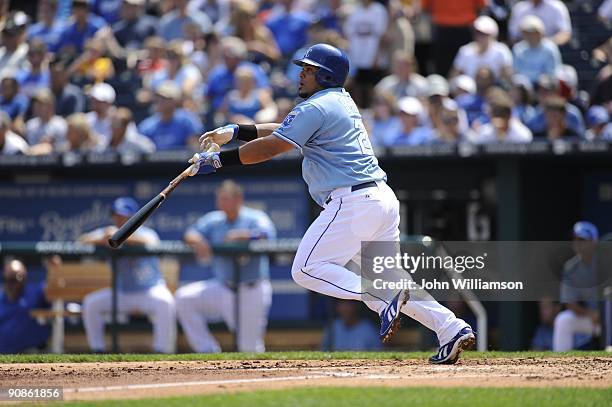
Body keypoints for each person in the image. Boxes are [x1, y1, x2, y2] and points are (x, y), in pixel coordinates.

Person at [192, 43, 475, 364]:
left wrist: (218, 162)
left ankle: (385, 300)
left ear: (325, 75)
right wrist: (238, 131)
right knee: (390, 282)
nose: (301, 75)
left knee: (306, 269)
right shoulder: (336, 101)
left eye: (309, 70)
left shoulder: (317, 106)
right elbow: (287, 129)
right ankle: (450, 328)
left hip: (352, 200)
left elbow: (272, 147)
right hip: (378, 199)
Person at [176, 180, 276, 352]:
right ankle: (208, 351)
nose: (220, 203)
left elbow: (267, 235)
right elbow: (190, 233)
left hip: (251, 289)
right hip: (222, 287)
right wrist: (198, 240)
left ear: (238, 199)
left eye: (225, 199)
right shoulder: (214, 220)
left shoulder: (255, 217)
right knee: (184, 298)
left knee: (249, 349)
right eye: (219, 199)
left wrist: (244, 236)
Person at [80, 197, 176, 353]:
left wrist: (122, 237)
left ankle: (161, 351)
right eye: (116, 215)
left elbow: (150, 243)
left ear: (135, 217)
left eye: (124, 216)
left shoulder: (146, 233)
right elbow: (82, 240)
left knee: (165, 302)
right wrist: (101, 239)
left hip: (149, 291)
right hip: (122, 293)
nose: (119, 219)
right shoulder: (109, 231)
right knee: (91, 303)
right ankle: (98, 350)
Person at [553, 222, 602, 351]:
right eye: (575, 239)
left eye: (582, 239)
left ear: (594, 242)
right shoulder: (571, 267)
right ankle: (559, 364)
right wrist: (590, 314)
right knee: (563, 320)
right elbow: (569, 302)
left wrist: (603, 314)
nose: (577, 243)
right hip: (592, 319)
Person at [420, 0, 487, 76]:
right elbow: (481, 6)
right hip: (448, 28)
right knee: (444, 68)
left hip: (458, 27)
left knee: (464, 65)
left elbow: (425, 8)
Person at [0, 260, 51, 353]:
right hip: (3, 353)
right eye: (6, 279)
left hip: (31, 351)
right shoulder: (1, 298)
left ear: (24, 278)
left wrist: (54, 270)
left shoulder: (36, 293)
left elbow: (53, 287)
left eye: (14, 280)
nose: (9, 284)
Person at [138, 81, 201, 150]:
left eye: (164, 98)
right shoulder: (147, 126)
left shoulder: (187, 121)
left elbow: (195, 149)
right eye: (158, 98)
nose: (160, 101)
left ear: (175, 100)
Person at [451, 16, 513, 82]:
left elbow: (508, 76)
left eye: (485, 34)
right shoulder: (465, 51)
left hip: (494, 89)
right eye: (478, 33)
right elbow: (454, 76)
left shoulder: (501, 51)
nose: (480, 37)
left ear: (493, 35)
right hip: (470, 90)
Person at [512, 15, 561, 84]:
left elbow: (552, 72)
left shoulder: (550, 48)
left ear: (541, 33)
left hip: (544, 85)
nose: (531, 36)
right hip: (524, 86)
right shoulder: (518, 48)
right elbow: (516, 71)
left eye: (534, 32)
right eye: (527, 33)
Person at [25, 89, 67, 154]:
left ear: (51, 106)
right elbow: (29, 147)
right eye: (36, 104)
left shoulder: (61, 124)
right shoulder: (30, 125)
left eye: (41, 104)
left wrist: (52, 145)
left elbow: (66, 147)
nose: (36, 107)